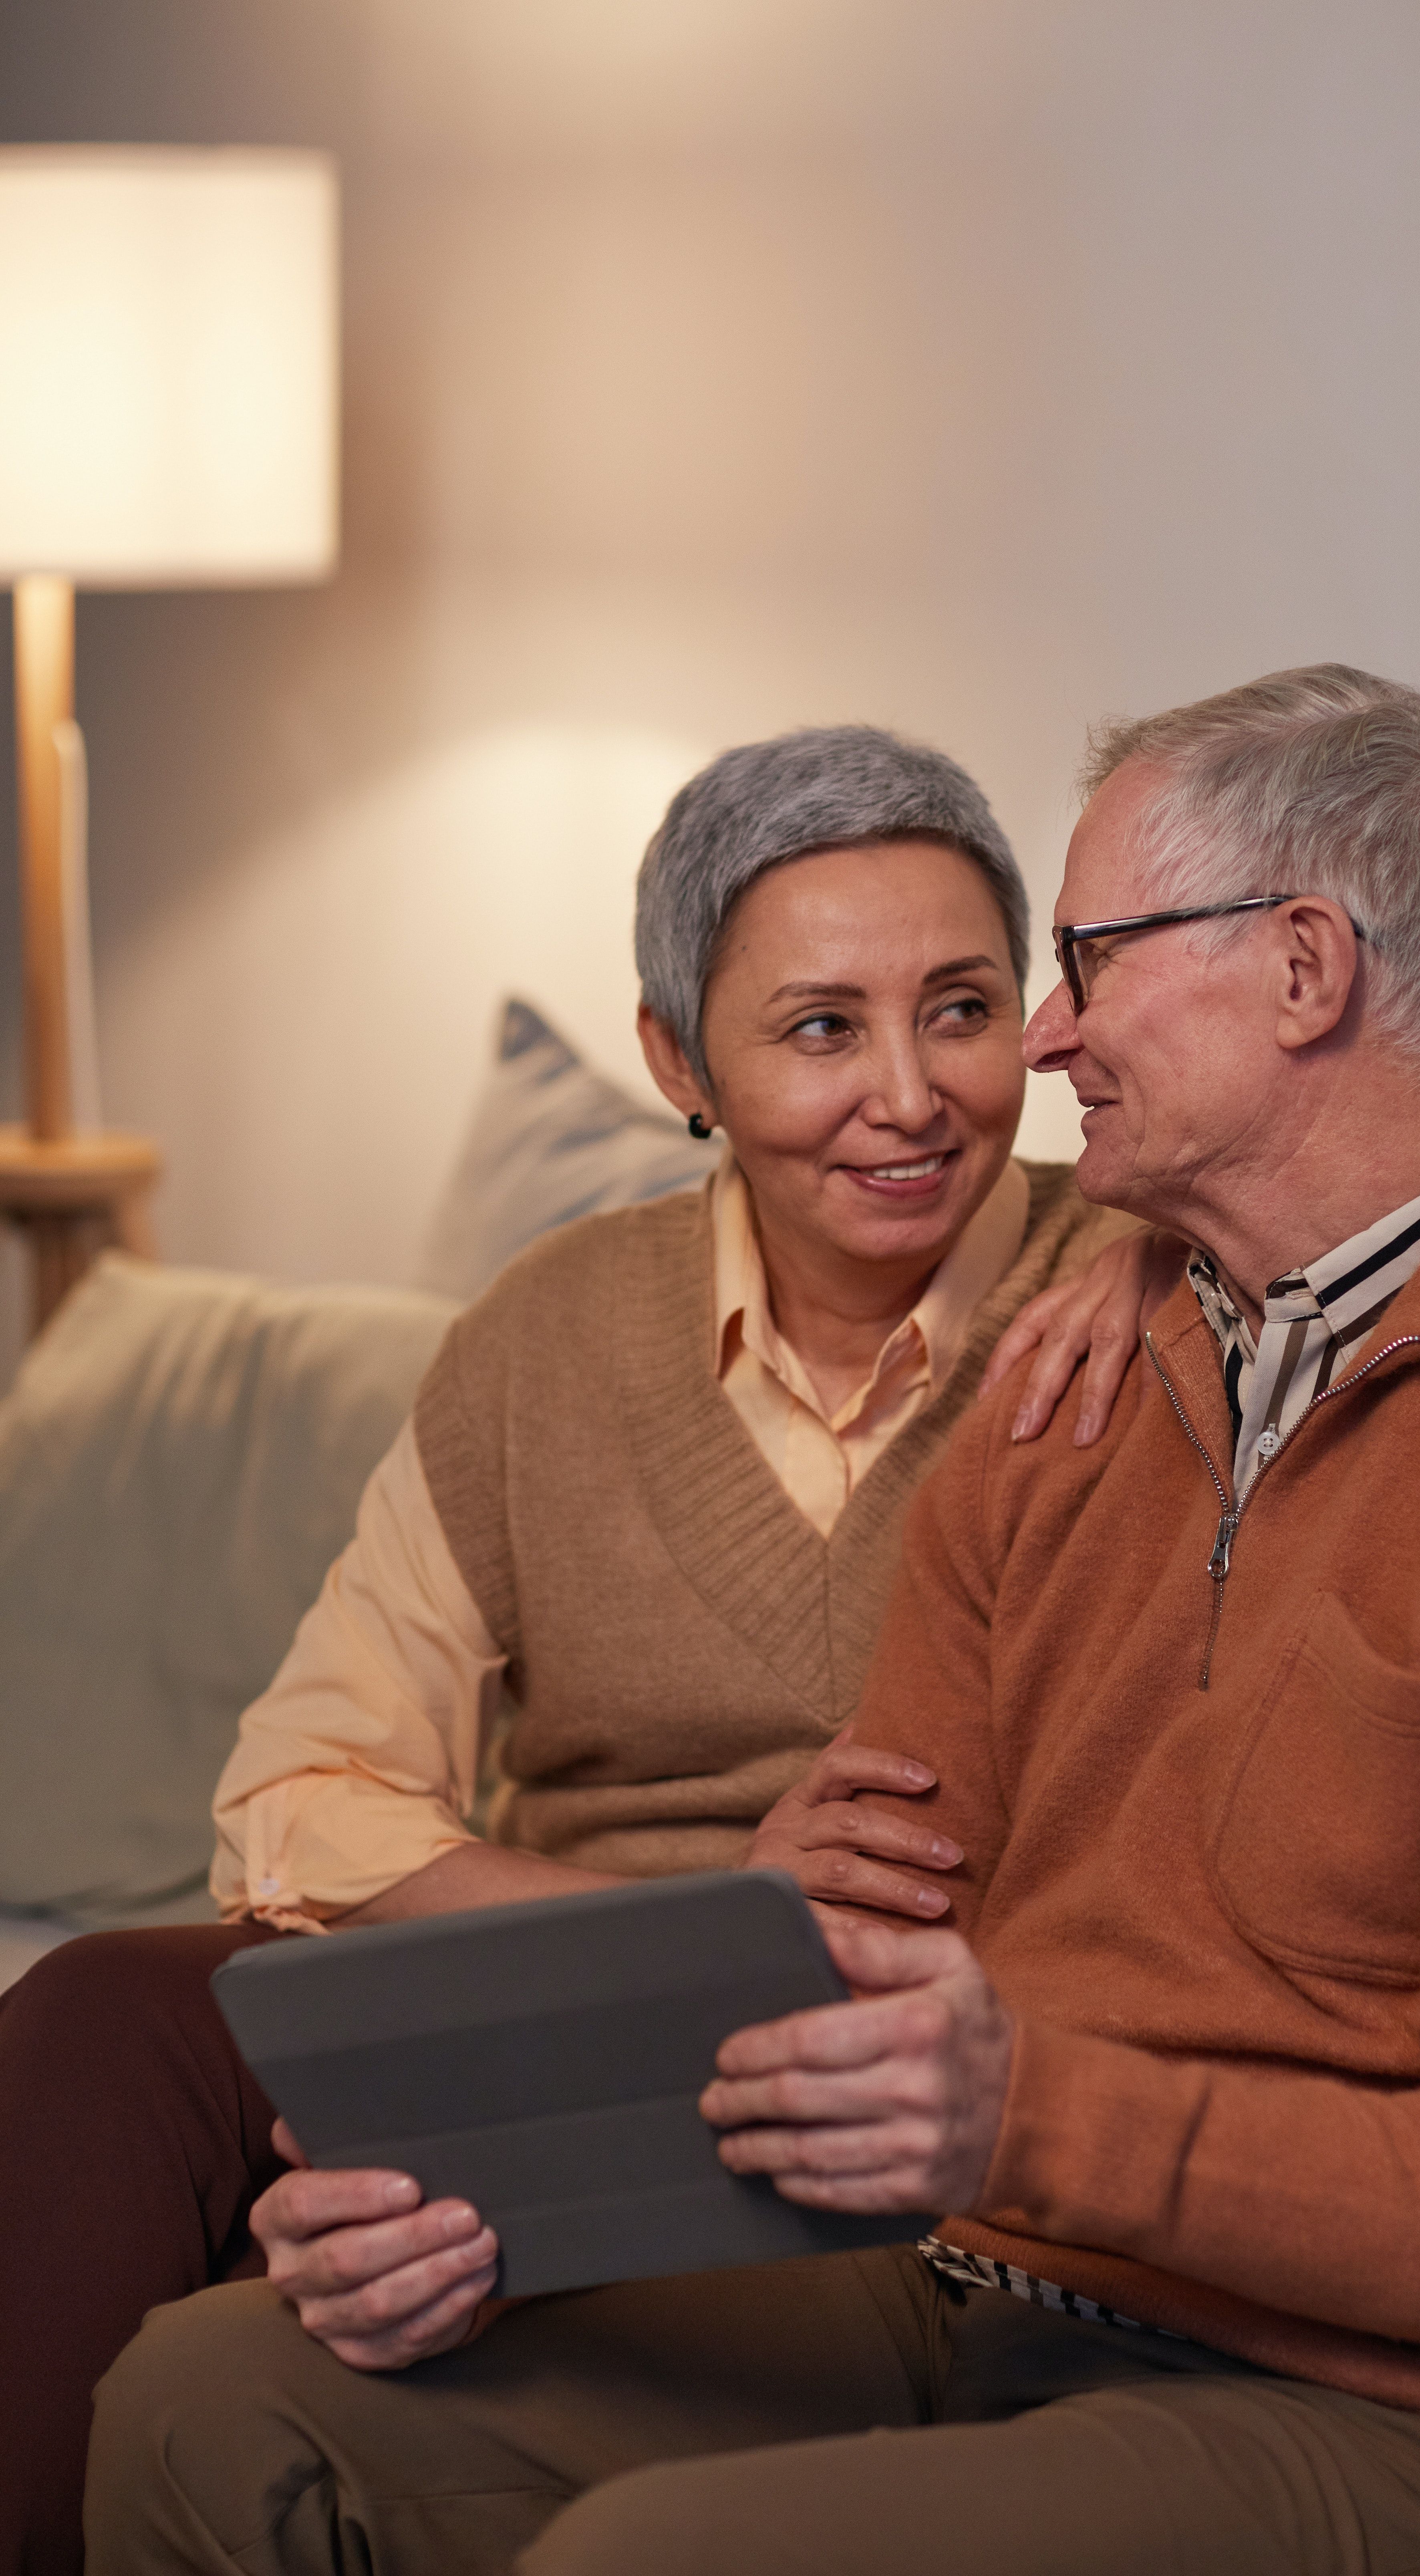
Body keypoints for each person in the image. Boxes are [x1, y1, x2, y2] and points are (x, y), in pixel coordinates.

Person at [84, 669, 1420, 2576]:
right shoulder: (1071, 1380)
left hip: (1413, 2408)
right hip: (985, 2292)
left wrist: (1023, 2115)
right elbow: (860, 1970)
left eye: (1081, 965)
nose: (1044, 1039)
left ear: (1305, 973)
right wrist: (479, 2197)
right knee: (210, 2404)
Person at [0, 724, 1167, 2576]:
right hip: (563, 1996)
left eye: (956, 1011)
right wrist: (674, 1930)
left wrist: (1154, 1237)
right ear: (675, 1062)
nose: (908, 1096)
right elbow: (298, 1796)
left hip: (871, 2089)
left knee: (264, 2296)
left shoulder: (1154, 1303)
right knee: (106, 2021)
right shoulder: (553, 1329)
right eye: (815, 1029)